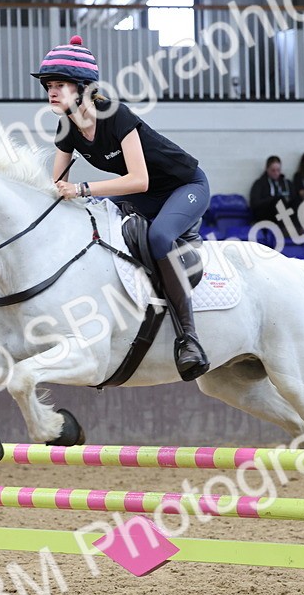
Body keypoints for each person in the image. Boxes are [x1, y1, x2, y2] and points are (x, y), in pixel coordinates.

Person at [32, 35, 211, 381]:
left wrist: (82, 189)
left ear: (84, 88)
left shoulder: (116, 115)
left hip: (185, 187)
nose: (52, 92)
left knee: (160, 238)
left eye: (60, 85)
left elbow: (139, 180)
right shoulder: (66, 126)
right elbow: (55, 185)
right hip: (145, 196)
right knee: (96, 222)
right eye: (48, 86)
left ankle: (189, 338)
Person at [248, 155, 297, 224]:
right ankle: (287, 227)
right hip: (267, 213)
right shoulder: (259, 183)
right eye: (273, 170)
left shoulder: (287, 183)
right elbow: (254, 203)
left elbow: (294, 198)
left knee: (297, 202)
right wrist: (272, 199)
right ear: (267, 169)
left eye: (278, 170)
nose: (276, 173)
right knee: (278, 201)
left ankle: (299, 228)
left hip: (285, 211)